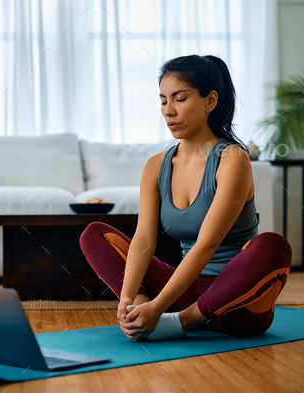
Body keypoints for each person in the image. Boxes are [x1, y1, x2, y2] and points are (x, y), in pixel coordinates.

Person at [79, 54, 292, 341]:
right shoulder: (156, 165)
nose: (168, 111)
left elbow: (207, 245)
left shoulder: (232, 159)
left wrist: (161, 308)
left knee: (272, 246)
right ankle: (148, 317)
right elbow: (143, 239)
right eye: (163, 100)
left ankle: (182, 323)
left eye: (179, 99)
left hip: (235, 304)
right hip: (182, 291)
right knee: (94, 235)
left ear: (210, 101)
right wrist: (131, 301)